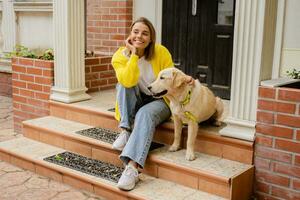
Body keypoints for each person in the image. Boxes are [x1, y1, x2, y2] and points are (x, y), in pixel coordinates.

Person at [111, 17, 173, 190]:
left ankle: (132, 168)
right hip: (136, 98)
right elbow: (128, 81)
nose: (140, 36)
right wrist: (133, 55)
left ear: (151, 38)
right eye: (136, 32)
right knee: (123, 84)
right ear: (130, 35)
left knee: (144, 114)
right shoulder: (119, 56)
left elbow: (170, 82)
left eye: (145, 33)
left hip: (160, 100)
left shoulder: (161, 52)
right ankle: (125, 129)